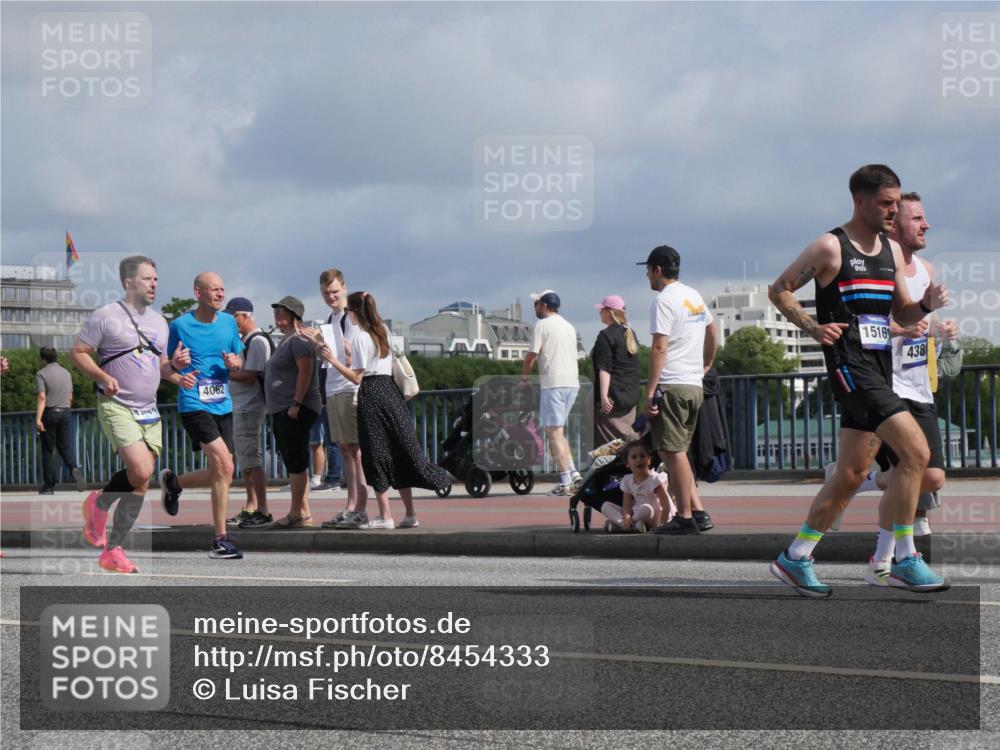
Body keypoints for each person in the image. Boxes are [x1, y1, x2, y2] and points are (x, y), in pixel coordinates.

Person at [767, 164, 950, 597]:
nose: (893, 211)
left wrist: (923, 305)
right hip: (850, 366)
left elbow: (901, 313)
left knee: (851, 473)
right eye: (886, 204)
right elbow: (780, 289)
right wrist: (813, 328)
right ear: (861, 201)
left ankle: (795, 558)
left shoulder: (890, 250)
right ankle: (904, 558)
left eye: (896, 203)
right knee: (916, 452)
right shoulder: (831, 247)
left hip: (879, 365)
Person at [70, 255, 196, 573]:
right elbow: (77, 353)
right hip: (117, 405)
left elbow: (160, 366)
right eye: (147, 278)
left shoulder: (159, 323)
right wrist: (102, 376)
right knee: (140, 470)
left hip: (149, 408)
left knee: (141, 482)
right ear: (129, 282)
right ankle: (99, 507)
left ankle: (112, 549)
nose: (154, 284)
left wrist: (177, 370)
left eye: (156, 278)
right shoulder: (106, 316)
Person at [304, 291, 449, 528]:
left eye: (348, 312)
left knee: (376, 455)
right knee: (399, 452)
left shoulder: (361, 337)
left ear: (352, 312)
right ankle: (410, 514)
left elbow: (357, 376)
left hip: (372, 395)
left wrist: (332, 359)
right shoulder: (383, 332)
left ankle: (385, 516)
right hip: (391, 392)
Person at [159, 272, 244, 560]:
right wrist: (176, 372)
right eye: (215, 290)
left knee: (225, 469)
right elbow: (165, 367)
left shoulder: (230, 323)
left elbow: (238, 358)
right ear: (199, 293)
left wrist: (235, 362)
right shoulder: (180, 326)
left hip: (222, 402)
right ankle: (220, 539)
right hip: (194, 402)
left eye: (223, 289)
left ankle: (174, 483)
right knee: (223, 463)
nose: (221, 294)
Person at [640, 246, 719, 534]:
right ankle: (697, 512)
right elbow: (712, 331)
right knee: (679, 451)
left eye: (647, 269)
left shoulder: (663, 301)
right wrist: (707, 363)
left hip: (671, 384)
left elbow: (660, 346)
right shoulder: (693, 295)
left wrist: (650, 391)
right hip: (693, 385)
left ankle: (684, 517)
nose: (647, 276)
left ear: (657, 270)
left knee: (672, 453)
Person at [316, 269, 370, 530]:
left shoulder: (352, 316)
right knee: (345, 449)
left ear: (345, 288)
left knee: (355, 451)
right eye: (326, 293)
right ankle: (351, 505)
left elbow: (356, 351)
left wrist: (331, 343)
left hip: (349, 386)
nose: (331, 296)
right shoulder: (332, 317)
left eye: (335, 291)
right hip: (333, 386)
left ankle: (360, 506)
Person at [264, 296, 322, 528]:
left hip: (294, 408)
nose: (277, 314)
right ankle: (303, 511)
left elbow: (305, 372)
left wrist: (296, 403)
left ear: (294, 315)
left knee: (296, 460)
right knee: (293, 460)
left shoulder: (298, 340)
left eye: (282, 311)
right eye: (276, 310)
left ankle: (296, 512)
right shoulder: (288, 340)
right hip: (285, 407)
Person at [522, 289, 582, 496]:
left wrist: (525, 379)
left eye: (536, 304)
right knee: (558, 431)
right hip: (571, 383)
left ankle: (566, 480)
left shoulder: (542, 325)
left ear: (544, 305)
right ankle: (573, 474)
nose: (534, 308)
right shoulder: (568, 326)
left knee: (553, 433)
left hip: (553, 384)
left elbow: (531, 356)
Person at [224, 297, 274, 528]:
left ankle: (261, 508)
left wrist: (223, 375)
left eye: (233, 317)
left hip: (250, 406)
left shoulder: (256, 342)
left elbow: (250, 375)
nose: (231, 322)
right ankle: (251, 505)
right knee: (246, 460)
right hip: (244, 405)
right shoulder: (248, 341)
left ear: (245, 315)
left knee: (251, 459)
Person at [35, 346, 85, 494]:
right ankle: (74, 468)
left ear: (43, 359)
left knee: (48, 450)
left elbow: (42, 397)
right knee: (64, 446)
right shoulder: (66, 373)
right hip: (65, 412)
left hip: (49, 413)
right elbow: (70, 396)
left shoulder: (41, 374)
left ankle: (49, 486)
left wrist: (38, 419)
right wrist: (65, 409)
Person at [591, 295, 640, 445]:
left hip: (612, 400)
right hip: (630, 398)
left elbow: (604, 369)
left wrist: (604, 397)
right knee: (628, 440)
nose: (599, 313)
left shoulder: (605, 336)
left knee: (609, 446)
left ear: (609, 312)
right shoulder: (630, 334)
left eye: (601, 310)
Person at [601, 440, 676, 534]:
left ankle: (622, 526)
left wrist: (662, 524)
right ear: (627, 463)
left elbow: (665, 505)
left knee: (646, 508)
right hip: (637, 513)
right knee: (605, 506)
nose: (639, 459)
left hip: (654, 515)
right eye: (634, 457)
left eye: (642, 456)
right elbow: (627, 505)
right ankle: (630, 525)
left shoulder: (655, 479)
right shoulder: (627, 480)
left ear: (649, 460)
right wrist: (627, 516)